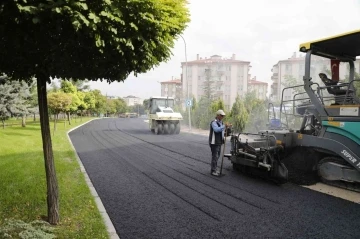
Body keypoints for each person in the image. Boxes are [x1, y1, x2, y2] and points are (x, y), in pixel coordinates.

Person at [209, 109, 231, 176]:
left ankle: (214, 169)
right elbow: (216, 130)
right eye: (221, 115)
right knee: (215, 156)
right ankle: (213, 171)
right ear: (217, 115)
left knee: (217, 156)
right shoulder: (214, 122)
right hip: (214, 142)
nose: (222, 117)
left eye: (223, 116)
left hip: (219, 142)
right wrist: (224, 126)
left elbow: (222, 132)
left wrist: (228, 129)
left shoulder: (221, 123)